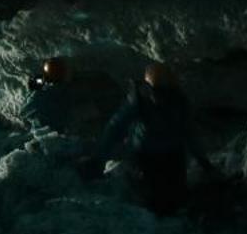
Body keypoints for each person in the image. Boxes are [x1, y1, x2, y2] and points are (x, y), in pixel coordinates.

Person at [90, 62, 217, 215]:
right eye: (156, 90)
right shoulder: (139, 103)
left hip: (172, 158)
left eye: (164, 91)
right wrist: (98, 160)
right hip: (145, 159)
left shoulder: (179, 104)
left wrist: (204, 162)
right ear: (148, 88)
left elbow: (190, 133)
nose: (159, 96)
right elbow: (115, 127)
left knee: (176, 203)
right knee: (153, 203)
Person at [21, 56, 78, 135]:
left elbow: (25, 111)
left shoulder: (41, 89)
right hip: (49, 129)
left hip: (38, 126)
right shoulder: (63, 92)